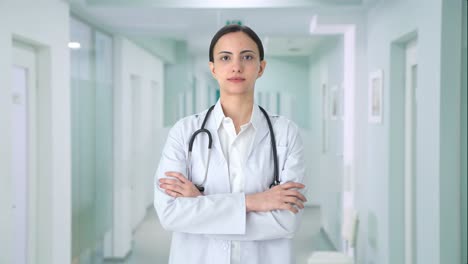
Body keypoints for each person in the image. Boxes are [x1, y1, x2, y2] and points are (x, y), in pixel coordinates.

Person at [154, 24, 307, 264]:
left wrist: (199, 207)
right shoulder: (184, 132)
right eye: (225, 58)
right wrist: (255, 201)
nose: (236, 66)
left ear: (261, 67)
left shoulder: (285, 133)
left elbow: (286, 222)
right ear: (213, 69)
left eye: (247, 56)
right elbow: (169, 214)